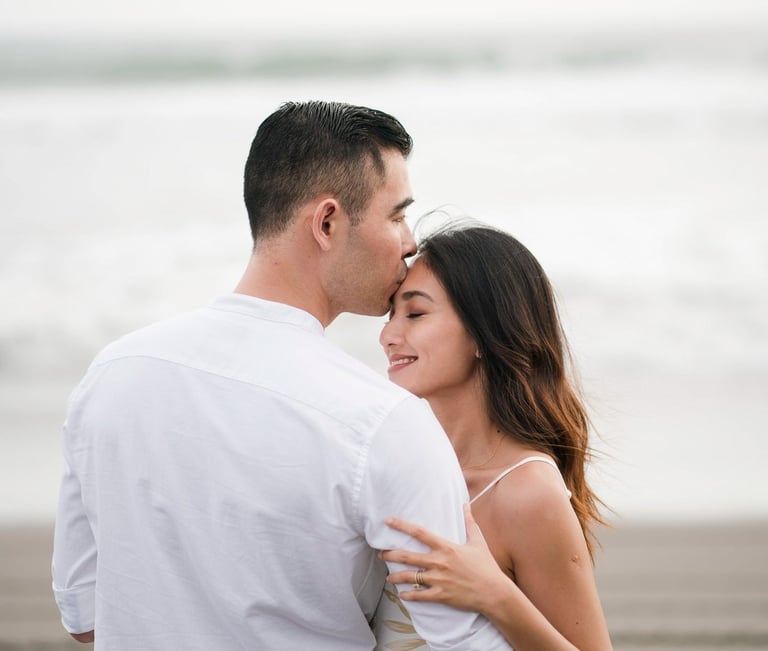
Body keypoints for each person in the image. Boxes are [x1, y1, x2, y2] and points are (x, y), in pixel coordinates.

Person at [51, 102, 513, 650]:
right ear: (326, 223)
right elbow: (461, 644)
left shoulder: (112, 376)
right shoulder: (383, 422)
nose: (410, 240)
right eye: (395, 215)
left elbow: (84, 616)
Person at [375, 223, 613, 650]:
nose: (388, 335)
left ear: (485, 334)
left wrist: (495, 594)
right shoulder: (405, 470)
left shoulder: (528, 493)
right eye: (391, 314)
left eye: (415, 313)